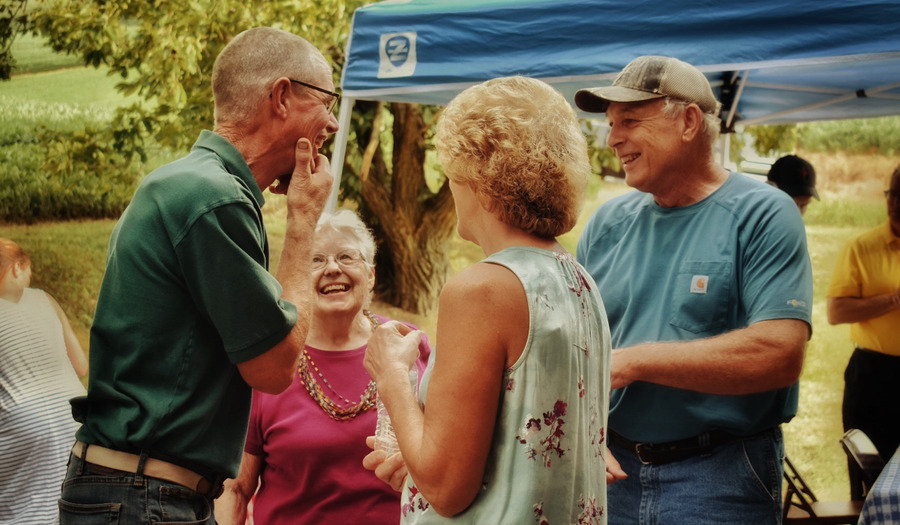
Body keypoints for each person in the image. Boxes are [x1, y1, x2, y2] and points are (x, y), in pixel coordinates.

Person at [58, 27, 337, 525]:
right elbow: (274, 369)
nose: (333, 123)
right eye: (326, 100)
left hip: (139, 490)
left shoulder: (187, 182)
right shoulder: (213, 197)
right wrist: (302, 222)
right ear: (281, 96)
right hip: (144, 496)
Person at [574, 55, 813, 524]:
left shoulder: (763, 213)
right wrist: (586, 431)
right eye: (610, 123)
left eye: (630, 121)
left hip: (720, 478)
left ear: (687, 122)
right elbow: (572, 347)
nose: (613, 138)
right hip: (611, 474)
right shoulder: (606, 223)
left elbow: (780, 354)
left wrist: (635, 362)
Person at [363, 76, 612, 524]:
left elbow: (446, 487)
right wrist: (415, 461)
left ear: (476, 174)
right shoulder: (579, 282)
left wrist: (393, 377)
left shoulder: (483, 289)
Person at [216, 209, 432, 525]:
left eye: (346, 257)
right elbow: (235, 489)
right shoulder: (270, 361)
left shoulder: (409, 343)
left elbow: (448, 454)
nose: (332, 268)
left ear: (371, 275)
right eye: (316, 261)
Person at [0, 238, 88, 525]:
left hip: (19, 423)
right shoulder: (43, 298)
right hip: (74, 417)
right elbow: (82, 366)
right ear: (17, 268)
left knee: (19, 510)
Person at [827, 164, 900, 495]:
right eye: (893, 193)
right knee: (870, 477)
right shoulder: (861, 247)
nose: (896, 202)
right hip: (874, 376)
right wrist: (893, 300)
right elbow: (836, 311)